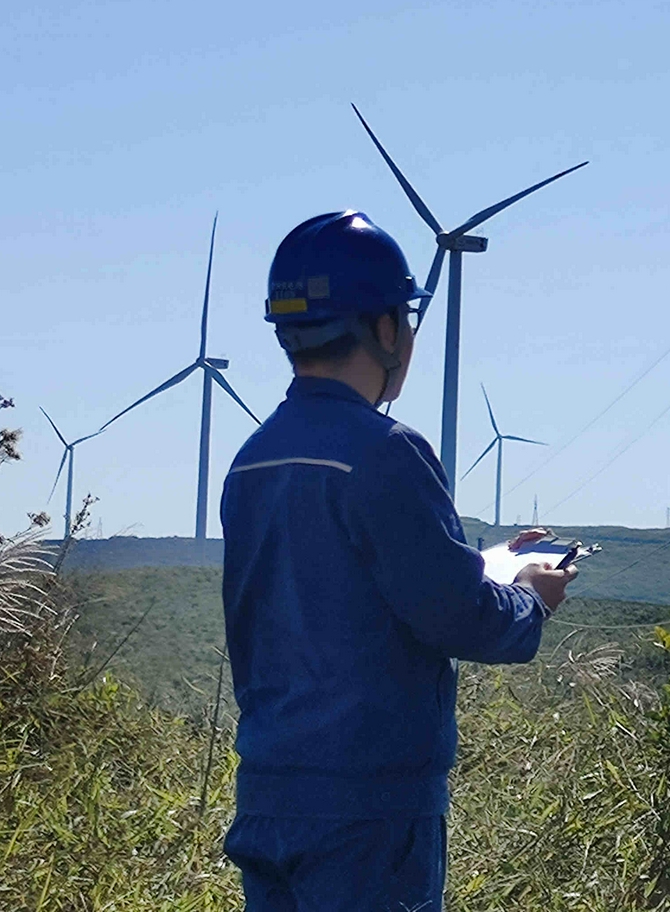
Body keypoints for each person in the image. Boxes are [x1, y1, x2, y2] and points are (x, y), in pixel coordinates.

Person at [220, 210, 576, 911]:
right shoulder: (386, 451)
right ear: (386, 329)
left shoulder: (251, 460)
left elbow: (340, 590)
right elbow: (457, 617)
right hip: (368, 814)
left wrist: (484, 562)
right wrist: (529, 595)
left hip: (268, 797)